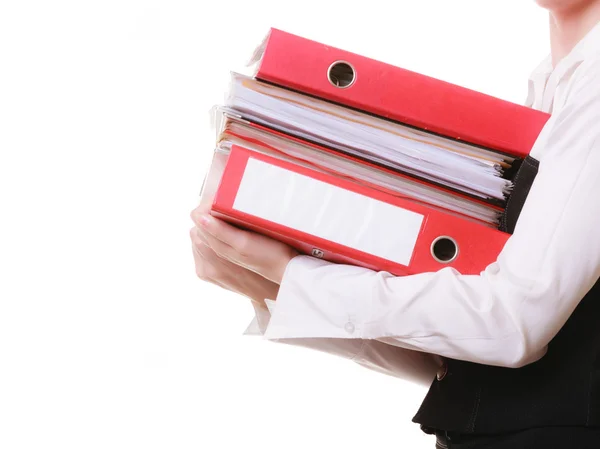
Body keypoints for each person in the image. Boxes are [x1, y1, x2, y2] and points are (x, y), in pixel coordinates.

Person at [190, 1, 600, 447]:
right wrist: (277, 287)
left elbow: (512, 324)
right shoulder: (552, 82)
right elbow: (466, 357)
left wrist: (298, 280)